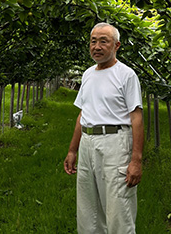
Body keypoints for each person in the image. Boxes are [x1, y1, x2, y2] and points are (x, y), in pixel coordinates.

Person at [64, 22, 144, 234]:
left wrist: (136, 160)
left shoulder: (126, 75)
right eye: (93, 41)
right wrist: (73, 150)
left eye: (103, 41)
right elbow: (83, 114)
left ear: (116, 46)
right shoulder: (88, 74)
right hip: (88, 144)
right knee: (88, 208)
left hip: (115, 143)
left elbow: (136, 117)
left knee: (118, 208)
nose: (97, 46)